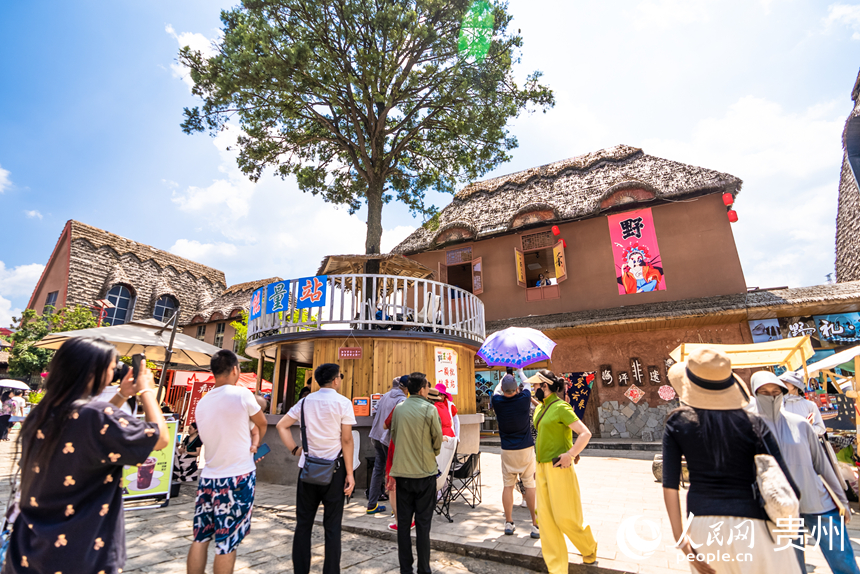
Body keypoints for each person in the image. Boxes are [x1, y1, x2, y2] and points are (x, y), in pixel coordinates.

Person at [7, 336, 168, 574]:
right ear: (94, 371)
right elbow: (160, 438)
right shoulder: (97, 415)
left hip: (29, 547)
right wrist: (146, 390)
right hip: (81, 549)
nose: (113, 376)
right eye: (112, 370)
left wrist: (122, 395)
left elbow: (95, 429)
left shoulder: (42, 413)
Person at [663, 348, 802, 574]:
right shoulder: (753, 423)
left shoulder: (678, 422)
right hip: (757, 525)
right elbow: (789, 486)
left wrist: (681, 540)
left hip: (704, 526)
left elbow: (669, 485)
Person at [752, 371, 858, 574]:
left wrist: (842, 501)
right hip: (779, 508)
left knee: (843, 561)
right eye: (763, 392)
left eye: (776, 391)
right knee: (792, 566)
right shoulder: (748, 427)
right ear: (754, 394)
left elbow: (822, 465)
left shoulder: (800, 424)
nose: (771, 396)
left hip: (818, 502)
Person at [187, 350, 269, 574]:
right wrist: (255, 446)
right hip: (238, 477)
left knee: (200, 536)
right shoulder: (242, 395)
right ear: (235, 370)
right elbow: (262, 424)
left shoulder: (202, 403)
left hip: (209, 477)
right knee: (227, 542)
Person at [277, 363, 356, 574]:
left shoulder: (304, 402)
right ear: (336, 380)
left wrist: (295, 450)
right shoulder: (343, 403)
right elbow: (346, 440)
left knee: (303, 525)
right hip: (335, 472)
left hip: (307, 470)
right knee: (332, 527)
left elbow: (281, 425)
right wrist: (350, 473)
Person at [531, 370, 597, 572]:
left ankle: (589, 548)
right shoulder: (540, 408)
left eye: (536, 386)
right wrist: (538, 467)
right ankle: (556, 568)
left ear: (545, 386)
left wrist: (571, 453)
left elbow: (585, 433)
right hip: (542, 467)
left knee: (565, 517)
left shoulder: (561, 407)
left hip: (560, 467)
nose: (533, 389)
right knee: (546, 520)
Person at [390, 372, 442, 574]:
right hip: (424, 473)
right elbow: (437, 439)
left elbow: (394, 435)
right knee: (423, 525)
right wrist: (432, 452)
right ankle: (423, 568)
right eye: (427, 386)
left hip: (402, 473)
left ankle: (405, 568)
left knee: (403, 524)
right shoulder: (430, 409)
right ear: (422, 389)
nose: (428, 389)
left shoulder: (399, 409)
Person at [492, 372, 539, 538]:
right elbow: (526, 384)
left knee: (508, 486)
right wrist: (520, 372)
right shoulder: (524, 399)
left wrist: (502, 377)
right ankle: (535, 525)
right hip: (526, 448)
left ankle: (509, 522)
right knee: (530, 485)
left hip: (507, 450)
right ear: (516, 389)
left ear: (504, 389)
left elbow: (496, 390)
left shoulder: (497, 401)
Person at [367, 376, 407, 515]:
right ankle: (395, 508)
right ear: (406, 388)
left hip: (377, 435)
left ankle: (372, 505)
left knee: (378, 470)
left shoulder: (385, 396)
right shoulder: (402, 400)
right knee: (395, 472)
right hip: (388, 439)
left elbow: (375, 412)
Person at [779, 371, 826, 435]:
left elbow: (821, 429)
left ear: (795, 385)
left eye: (785, 381)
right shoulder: (779, 404)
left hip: (806, 444)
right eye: (781, 381)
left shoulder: (810, 405)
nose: (782, 383)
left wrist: (808, 428)